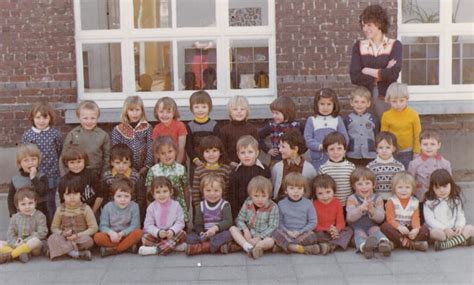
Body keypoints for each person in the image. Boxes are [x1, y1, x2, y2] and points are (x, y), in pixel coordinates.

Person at [349, 4, 402, 117]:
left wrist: (367, 70)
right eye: (363, 25)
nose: (365, 29)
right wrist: (383, 72)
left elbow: (393, 74)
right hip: (365, 99)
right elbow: (354, 76)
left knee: (386, 130)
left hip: (387, 97)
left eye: (369, 25)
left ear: (379, 24)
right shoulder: (359, 46)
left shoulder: (395, 45)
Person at [22, 102, 62, 223]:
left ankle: (52, 226)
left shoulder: (55, 134)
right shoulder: (28, 135)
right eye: (38, 117)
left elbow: (59, 149)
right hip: (35, 174)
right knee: (36, 200)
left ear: (50, 118)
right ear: (32, 118)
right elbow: (24, 153)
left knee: (50, 201)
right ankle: (37, 225)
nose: (41, 121)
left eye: (45, 117)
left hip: (51, 173)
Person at [272, 173, 329, 255]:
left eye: (299, 188)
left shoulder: (308, 203)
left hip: (303, 234)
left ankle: (285, 246)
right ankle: (301, 249)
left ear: (304, 190)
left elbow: (313, 222)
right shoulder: (281, 204)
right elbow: (279, 222)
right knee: (275, 233)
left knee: (314, 235)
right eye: (292, 188)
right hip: (287, 233)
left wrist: (300, 231)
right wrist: (287, 232)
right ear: (286, 190)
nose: (296, 191)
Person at [48, 175, 98, 261]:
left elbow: (93, 228)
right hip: (65, 238)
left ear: (80, 194)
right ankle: (75, 254)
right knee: (52, 238)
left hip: (79, 238)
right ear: (63, 196)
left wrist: (78, 235)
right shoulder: (60, 210)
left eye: (75, 194)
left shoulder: (86, 209)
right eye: (68, 194)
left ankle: (58, 250)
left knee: (89, 241)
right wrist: (62, 233)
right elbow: (54, 227)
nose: (72, 197)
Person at [346, 167, 392, 259]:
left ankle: (384, 244)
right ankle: (365, 248)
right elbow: (349, 218)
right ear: (354, 186)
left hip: (372, 225)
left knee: (376, 231)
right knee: (359, 234)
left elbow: (381, 218)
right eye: (360, 184)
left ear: (374, 185)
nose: (364, 187)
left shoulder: (377, 198)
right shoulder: (352, 199)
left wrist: (372, 210)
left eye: (367, 183)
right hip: (358, 226)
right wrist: (360, 209)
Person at [229, 176, 278, 259]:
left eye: (263, 196)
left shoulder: (272, 207)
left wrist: (259, 238)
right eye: (256, 196)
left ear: (268, 195)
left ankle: (257, 248)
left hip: (263, 236)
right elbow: (240, 219)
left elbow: (273, 226)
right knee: (233, 229)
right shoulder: (248, 203)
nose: (260, 199)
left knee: (271, 241)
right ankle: (247, 246)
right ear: (251, 195)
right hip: (248, 234)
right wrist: (245, 230)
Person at [424, 169, 474, 250]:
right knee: (435, 233)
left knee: (470, 228)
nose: (442, 190)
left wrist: (459, 226)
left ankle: (447, 244)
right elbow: (430, 220)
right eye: (437, 187)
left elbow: (460, 216)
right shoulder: (429, 203)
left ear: (451, 185)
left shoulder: (455, 200)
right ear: (432, 188)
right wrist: (444, 229)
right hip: (440, 230)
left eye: (445, 186)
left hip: (454, 229)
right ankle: (462, 241)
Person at [145, 136, 190, 223]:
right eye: (163, 153)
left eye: (170, 151)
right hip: (160, 207)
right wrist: (149, 209)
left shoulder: (180, 169)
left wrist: (187, 205)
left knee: (180, 230)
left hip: (178, 205)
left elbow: (186, 188)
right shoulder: (153, 170)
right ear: (157, 155)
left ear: (175, 151)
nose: (167, 155)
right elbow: (149, 192)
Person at [94, 177, 143, 257]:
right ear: (113, 196)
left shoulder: (134, 206)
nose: (122, 199)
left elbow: (135, 225)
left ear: (131, 196)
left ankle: (113, 250)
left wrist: (122, 233)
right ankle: (127, 247)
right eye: (119, 196)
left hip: (126, 235)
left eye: (126, 196)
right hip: (111, 237)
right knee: (98, 237)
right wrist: (111, 233)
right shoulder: (108, 207)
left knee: (139, 232)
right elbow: (103, 226)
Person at [380, 172, 429, 251]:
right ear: (394, 188)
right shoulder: (391, 201)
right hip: (396, 229)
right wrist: (399, 227)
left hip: (409, 229)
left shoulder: (414, 202)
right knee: (385, 227)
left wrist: (415, 230)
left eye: (407, 187)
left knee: (424, 229)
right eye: (400, 187)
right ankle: (412, 244)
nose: (403, 190)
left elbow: (415, 219)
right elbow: (390, 219)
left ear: (412, 189)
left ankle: (396, 244)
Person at [186, 174, 233, 255]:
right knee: (189, 237)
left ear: (222, 191)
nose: (212, 194)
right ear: (202, 191)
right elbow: (198, 224)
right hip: (205, 233)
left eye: (216, 190)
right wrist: (201, 233)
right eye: (208, 190)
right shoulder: (200, 206)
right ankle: (218, 246)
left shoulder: (225, 204)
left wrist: (215, 228)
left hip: (219, 233)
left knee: (229, 234)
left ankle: (203, 247)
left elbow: (228, 221)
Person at [139, 176, 186, 255]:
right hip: (157, 234)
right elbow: (148, 225)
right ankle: (173, 247)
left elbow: (180, 222)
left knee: (182, 234)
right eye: (158, 192)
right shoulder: (151, 207)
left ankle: (155, 250)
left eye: (165, 191)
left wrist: (172, 231)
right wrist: (158, 232)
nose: (162, 195)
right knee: (145, 238)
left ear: (171, 192)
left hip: (171, 234)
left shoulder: (176, 205)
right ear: (153, 194)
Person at [304, 88, 349, 170]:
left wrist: (338, 148)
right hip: (318, 158)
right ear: (316, 105)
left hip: (335, 157)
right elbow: (307, 139)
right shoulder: (312, 120)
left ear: (334, 105)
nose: (325, 107)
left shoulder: (337, 119)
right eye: (322, 104)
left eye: (329, 104)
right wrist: (319, 146)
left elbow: (344, 138)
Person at [62, 100, 110, 176]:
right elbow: (64, 156)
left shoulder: (103, 135)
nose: (89, 121)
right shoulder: (73, 134)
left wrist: (104, 174)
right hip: (76, 173)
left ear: (97, 118)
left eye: (93, 118)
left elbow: (107, 157)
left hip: (96, 173)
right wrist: (67, 175)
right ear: (79, 117)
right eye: (85, 118)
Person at [0, 188, 47, 264]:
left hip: (33, 247)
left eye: (30, 203)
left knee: (36, 241)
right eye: (23, 204)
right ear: (17, 206)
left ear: (35, 203)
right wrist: (15, 243)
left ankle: (12, 255)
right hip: (18, 243)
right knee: (0, 243)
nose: (27, 207)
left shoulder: (40, 216)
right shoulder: (15, 218)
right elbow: (10, 234)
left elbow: (42, 233)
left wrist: (24, 242)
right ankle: (21, 253)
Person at [381, 82, 421, 169]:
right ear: (389, 100)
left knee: (406, 175)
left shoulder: (413, 114)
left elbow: (417, 135)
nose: (398, 104)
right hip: (391, 152)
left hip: (408, 152)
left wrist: (416, 152)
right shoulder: (386, 115)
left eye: (401, 101)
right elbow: (384, 136)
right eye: (394, 101)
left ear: (407, 99)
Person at [229, 135, 271, 218]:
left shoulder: (264, 170)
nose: (246, 155)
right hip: (242, 212)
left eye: (250, 152)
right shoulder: (235, 173)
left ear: (257, 153)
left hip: (261, 212)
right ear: (238, 154)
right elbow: (232, 197)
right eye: (243, 152)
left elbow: (268, 193)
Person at [102, 144, 145, 221]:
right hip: (113, 211)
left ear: (130, 163)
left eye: (125, 163)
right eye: (118, 163)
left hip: (131, 210)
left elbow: (140, 197)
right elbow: (105, 197)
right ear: (112, 162)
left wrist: (136, 212)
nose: (121, 166)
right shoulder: (107, 176)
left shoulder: (135, 176)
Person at [111, 96, 153, 175]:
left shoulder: (147, 127)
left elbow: (150, 146)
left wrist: (147, 166)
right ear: (126, 111)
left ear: (142, 111)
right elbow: (116, 150)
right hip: (124, 167)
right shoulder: (118, 130)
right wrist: (123, 166)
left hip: (143, 167)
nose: (135, 113)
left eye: (137, 110)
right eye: (131, 110)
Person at [271, 129, 316, 201]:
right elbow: (273, 187)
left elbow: (311, 190)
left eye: (283, 147)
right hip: (281, 205)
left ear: (295, 149)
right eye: (280, 146)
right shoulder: (277, 167)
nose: (280, 150)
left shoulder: (309, 169)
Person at [191, 136, 232, 212]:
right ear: (202, 153)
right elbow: (195, 192)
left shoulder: (226, 169)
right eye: (207, 151)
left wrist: (226, 207)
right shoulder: (199, 170)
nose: (211, 154)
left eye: (214, 150)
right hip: (204, 209)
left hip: (222, 208)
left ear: (220, 152)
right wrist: (198, 208)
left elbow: (228, 191)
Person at [59, 145, 103, 216]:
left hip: (93, 209)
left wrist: (93, 211)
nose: (76, 165)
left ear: (84, 161)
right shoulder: (64, 180)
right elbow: (62, 201)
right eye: (72, 162)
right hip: (73, 213)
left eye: (79, 162)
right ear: (66, 163)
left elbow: (100, 195)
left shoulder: (92, 175)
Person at [312, 174, 353, 251]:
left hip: (335, 231)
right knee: (313, 235)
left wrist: (336, 230)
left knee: (349, 231)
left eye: (328, 192)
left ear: (333, 191)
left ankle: (331, 246)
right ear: (315, 194)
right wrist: (327, 229)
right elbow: (314, 225)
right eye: (320, 193)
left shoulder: (337, 203)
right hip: (322, 232)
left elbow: (341, 222)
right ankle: (335, 244)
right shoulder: (314, 205)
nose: (325, 196)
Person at [408, 131, 452, 202]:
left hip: (440, 197)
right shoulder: (414, 164)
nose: (429, 147)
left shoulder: (445, 163)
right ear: (420, 145)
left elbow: (449, 182)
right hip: (421, 198)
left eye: (432, 144)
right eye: (425, 144)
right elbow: (410, 182)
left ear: (439, 145)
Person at [258, 96, 303, 165]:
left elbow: (305, 139)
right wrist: (267, 150)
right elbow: (258, 136)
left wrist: (300, 151)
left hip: (294, 158)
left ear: (287, 113)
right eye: (273, 113)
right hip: (277, 159)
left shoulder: (297, 125)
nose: (274, 116)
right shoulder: (272, 126)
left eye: (277, 113)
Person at [8, 144, 48, 219]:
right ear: (20, 163)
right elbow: (10, 197)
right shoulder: (15, 179)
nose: (30, 163)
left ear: (38, 160)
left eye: (33, 159)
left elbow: (43, 192)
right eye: (26, 160)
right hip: (22, 215)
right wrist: (12, 213)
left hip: (40, 215)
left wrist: (33, 178)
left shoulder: (42, 177)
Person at [318, 132, 356, 208]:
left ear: (344, 150)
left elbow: (354, 186)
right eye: (331, 149)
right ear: (326, 152)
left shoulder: (351, 167)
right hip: (330, 205)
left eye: (339, 148)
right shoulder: (323, 168)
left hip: (348, 204)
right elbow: (321, 188)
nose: (336, 152)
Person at [219, 95, 259, 166]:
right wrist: (229, 162)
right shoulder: (224, 130)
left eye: (242, 109)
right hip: (230, 165)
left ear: (247, 111)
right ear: (230, 112)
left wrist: (250, 160)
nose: (239, 112)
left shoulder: (252, 129)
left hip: (249, 164)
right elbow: (222, 149)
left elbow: (257, 148)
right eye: (235, 109)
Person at [343, 86, 378, 166]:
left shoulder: (373, 119)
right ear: (351, 103)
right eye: (356, 102)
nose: (359, 105)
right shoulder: (347, 119)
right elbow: (344, 137)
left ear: (368, 103)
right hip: (353, 154)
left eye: (363, 102)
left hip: (370, 154)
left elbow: (377, 136)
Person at [185, 90, 220, 170]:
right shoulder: (190, 126)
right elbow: (189, 146)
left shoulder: (214, 125)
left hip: (212, 161)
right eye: (196, 107)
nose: (200, 110)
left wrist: (214, 158)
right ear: (191, 108)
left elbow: (219, 146)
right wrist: (195, 159)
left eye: (203, 107)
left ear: (209, 107)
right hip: (196, 163)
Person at [367, 131, 405, 201]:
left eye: (388, 147)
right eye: (381, 147)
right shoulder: (370, 166)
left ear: (393, 148)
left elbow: (402, 183)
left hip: (394, 199)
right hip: (376, 199)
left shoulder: (399, 166)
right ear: (376, 149)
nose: (384, 150)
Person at [152, 97, 187, 164]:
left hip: (178, 161)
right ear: (157, 112)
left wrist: (177, 165)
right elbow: (155, 149)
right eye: (161, 112)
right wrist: (156, 165)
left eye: (168, 112)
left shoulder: (180, 126)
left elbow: (181, 148)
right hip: (162, 162)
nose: (165, 115)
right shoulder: (157, 128)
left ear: (174, 112)